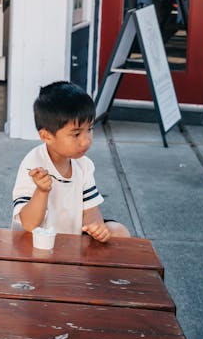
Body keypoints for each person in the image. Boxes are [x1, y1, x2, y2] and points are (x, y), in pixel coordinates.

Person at [11, 81, 130, 242]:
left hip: (71, 241)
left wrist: (96, 227)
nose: (86, 140)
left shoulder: (84, 165)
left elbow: (90, 210)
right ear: (46, 136)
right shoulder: (33, 166)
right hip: (36, 243)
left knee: (119, 232)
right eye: (76, 134)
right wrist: (42, 191)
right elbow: (29, 224)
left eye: (90, 129)